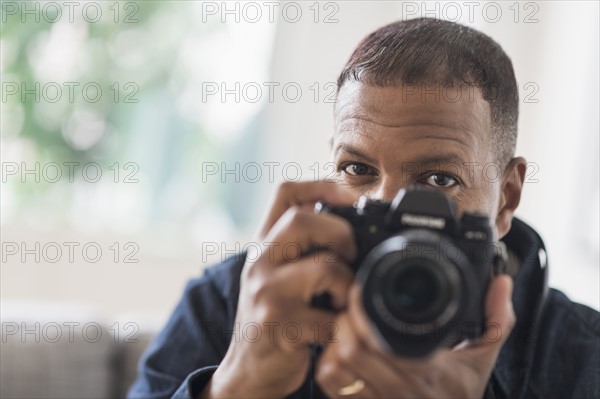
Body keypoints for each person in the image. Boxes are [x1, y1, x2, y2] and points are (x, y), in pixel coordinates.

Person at [128, 18, 600, 399]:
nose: (386, 207)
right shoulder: (231, 303)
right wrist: (236, 386)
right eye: (357, 170)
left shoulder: (582, 355)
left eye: (439, 180)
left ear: (506, 199)